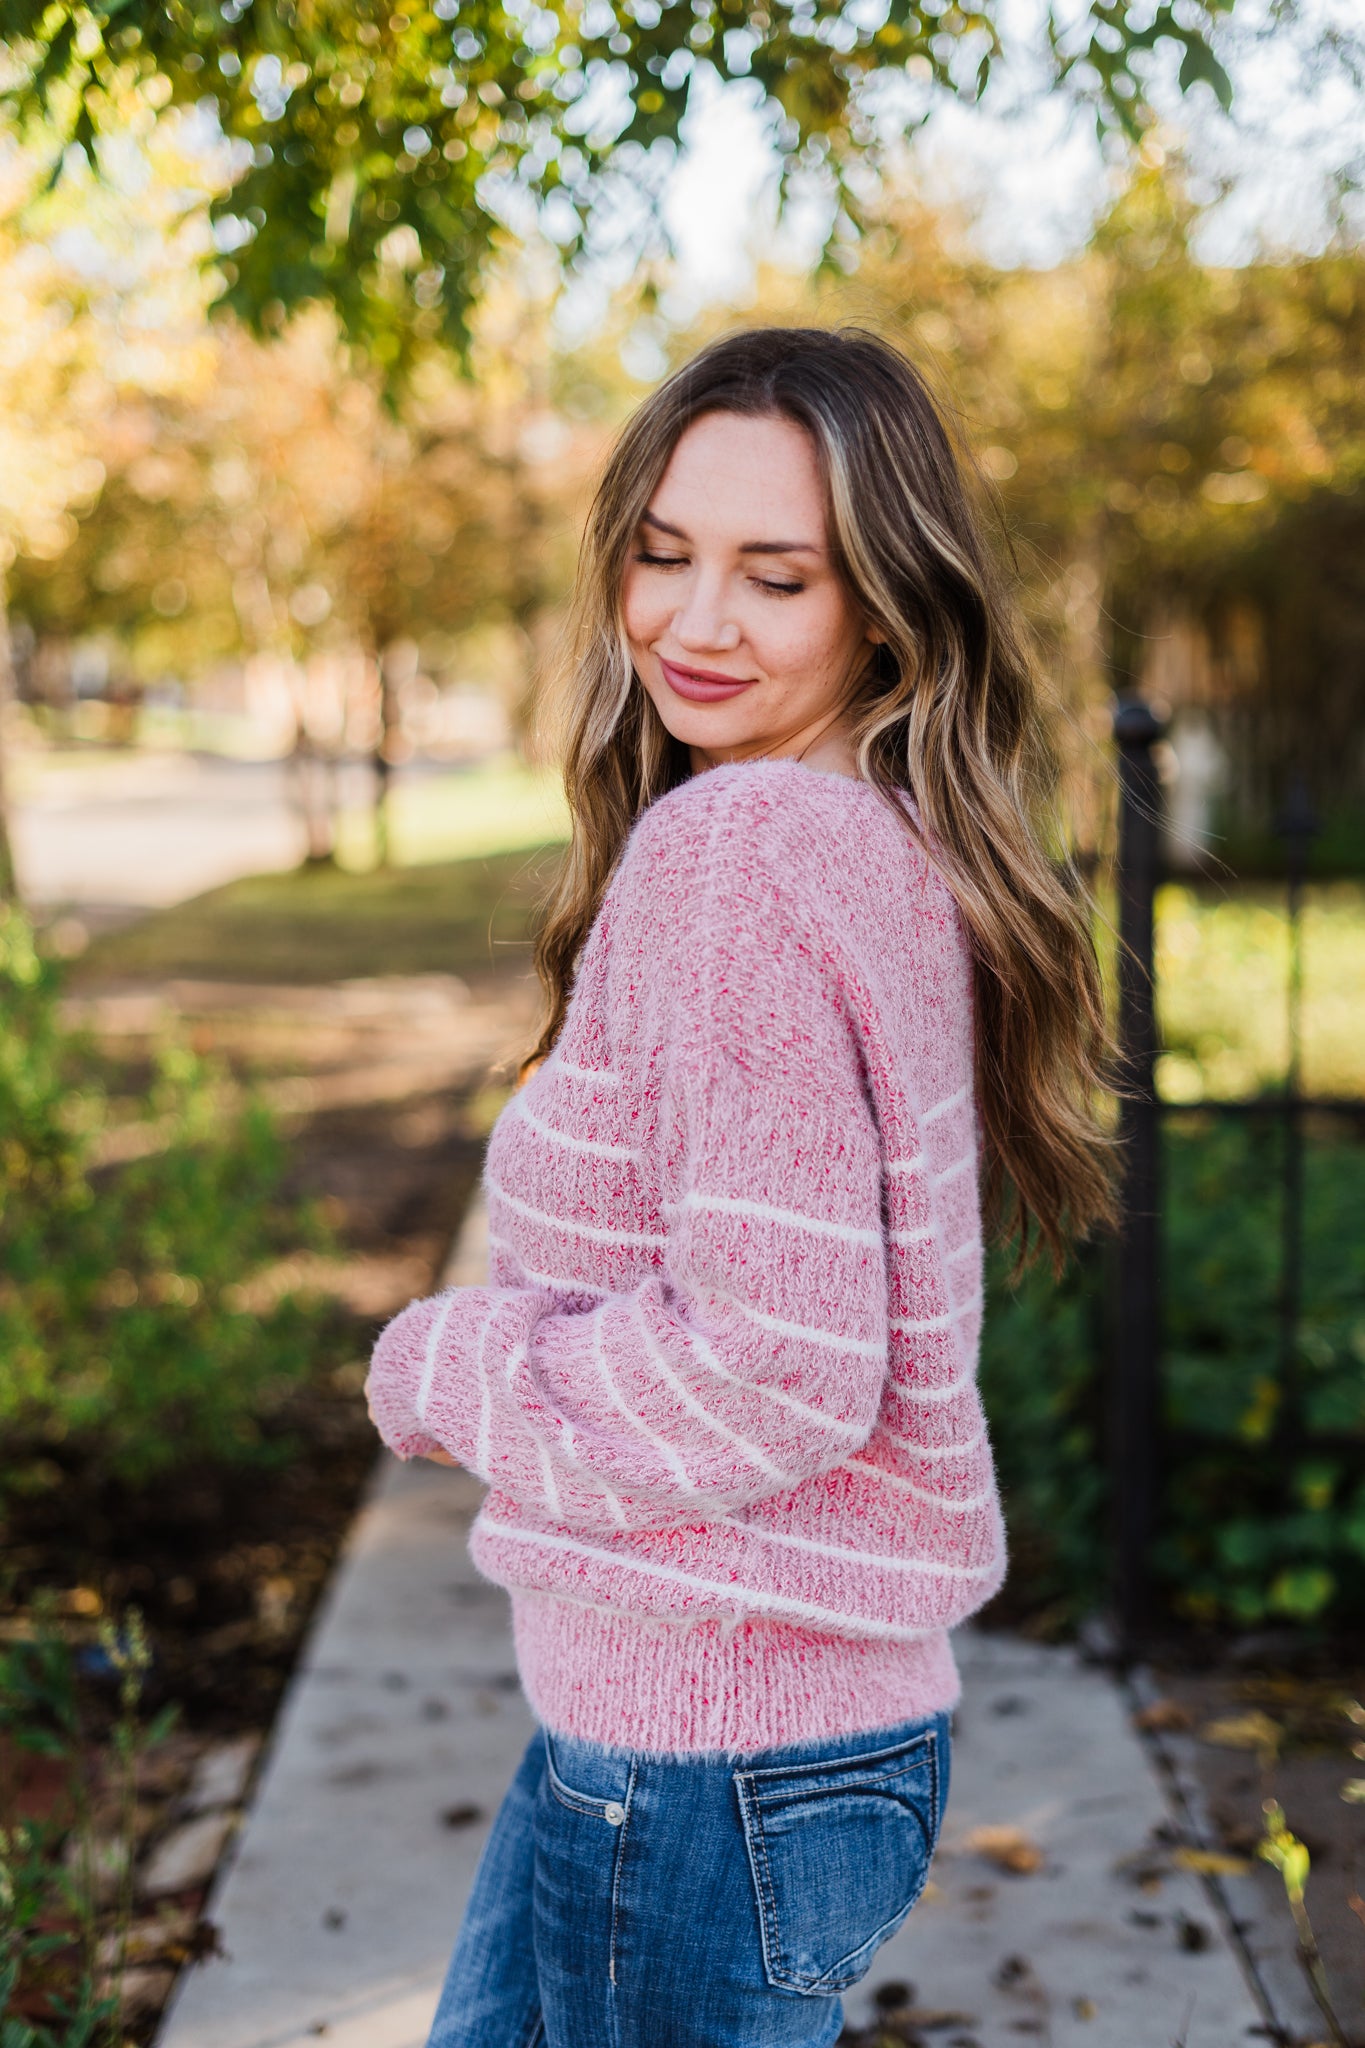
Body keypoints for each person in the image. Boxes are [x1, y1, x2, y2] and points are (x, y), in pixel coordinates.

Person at [365, 325, 1116, 2048]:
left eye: (774, 578)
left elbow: (776, 1359)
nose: (694, 623)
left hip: (704, 1752)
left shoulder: (743, 854)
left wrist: (443, 1368)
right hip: (736, 1734)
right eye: (662, 553)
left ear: (881, 604)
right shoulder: (861, 833)